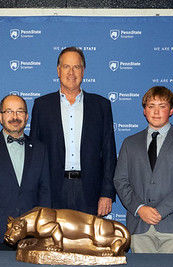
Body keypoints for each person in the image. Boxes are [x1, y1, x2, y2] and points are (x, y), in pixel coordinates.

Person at [113, 86, 173, 253]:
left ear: (171, 110)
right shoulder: (129, 143)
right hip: (139, 225)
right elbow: (120, 181)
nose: (156, 111)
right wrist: (140, 208)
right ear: (144, 111)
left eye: (162, 106)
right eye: (151, 106)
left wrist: (161, 211)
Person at [30, 46, 117, 216]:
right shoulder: (42, 106)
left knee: (86, 243)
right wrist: (37, 193)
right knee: (53, 242)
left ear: (83, 71)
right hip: (53, 190)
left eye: (76, 67)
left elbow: (108, 153)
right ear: (58, 70)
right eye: (66, 66)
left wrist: (106, 193)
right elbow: (35, 153)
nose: (71, 72)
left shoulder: (101, 106)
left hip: (90, 191)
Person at [0, 94, 51, 250]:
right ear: (0, 117)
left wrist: (42, 228)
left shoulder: (40, 149)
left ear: (26, 116)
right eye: (9, 111)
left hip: (32, 235)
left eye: (20, 111)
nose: (15, 116)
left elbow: (45, 192)